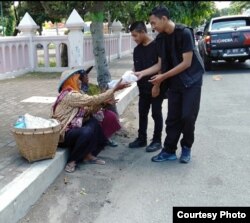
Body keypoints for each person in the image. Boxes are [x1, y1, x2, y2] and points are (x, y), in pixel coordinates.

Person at [135, 6, 205, 163]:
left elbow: (186, 63)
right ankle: (169, 150)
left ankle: (186, 148)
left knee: (187, 116)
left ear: (164, 19)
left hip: (191, 80)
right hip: (174, 82)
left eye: (154, 23)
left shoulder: (185, 33)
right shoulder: (160, 39)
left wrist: (162, 78)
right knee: (172, 118)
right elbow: (160, 65)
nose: (152, 28)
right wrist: (144, 74)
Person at [51, 68, 129, 173]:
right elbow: (92, 100)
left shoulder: (78, 93)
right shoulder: (70, 95)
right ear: (71, 81)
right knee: (86, 131)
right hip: (62, 134)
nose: (80, 81)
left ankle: (88, 155)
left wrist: (103, 103)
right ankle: (72, 161)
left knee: (93, 123)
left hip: (73, 129)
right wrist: (114, 89)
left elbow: (88, 111)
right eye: (77, 79)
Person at [128, 21, 166, 153]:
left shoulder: (156, 46)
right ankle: (141, 138)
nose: (134, 39)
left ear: (143, 32)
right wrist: (128, 76)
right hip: (142, 87)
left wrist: (157, 86)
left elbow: (161, 67)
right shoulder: (137, 50)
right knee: (142, 112)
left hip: (155, 86)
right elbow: (135, 67)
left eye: (135, 35)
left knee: (156, 113)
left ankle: (157, 141)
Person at [79, 66, 122, 147]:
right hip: (86, 113)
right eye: (84, 76)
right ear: (79, 78)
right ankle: (98, 140)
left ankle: (106, 137)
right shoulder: (77, 90)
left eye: (87, 75)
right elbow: (89, 103)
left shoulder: (92, 86)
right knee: (96, 120)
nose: (87, 77)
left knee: (111, 115)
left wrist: (106, 101)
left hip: (97, 110)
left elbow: (100, 97)